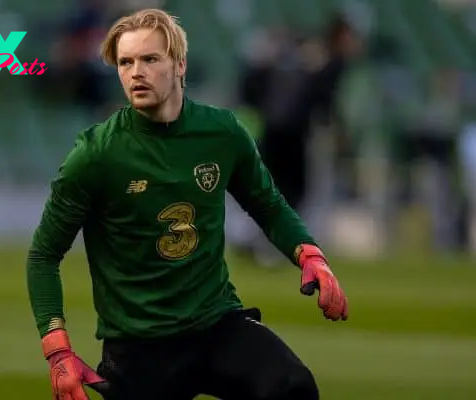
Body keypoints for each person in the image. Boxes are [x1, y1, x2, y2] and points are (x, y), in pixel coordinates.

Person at [26, 8, 348, 400]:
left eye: (149, 59)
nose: (136, 72)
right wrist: (57, 349)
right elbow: (44, 254)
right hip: (139, 346)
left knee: (292, 386)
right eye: (125, 62)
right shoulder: (95, 154)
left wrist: (310, 255)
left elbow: (268, 205)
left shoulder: (223, 133)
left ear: (180, 64)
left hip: (216, 325)